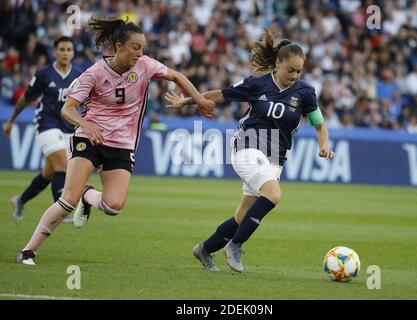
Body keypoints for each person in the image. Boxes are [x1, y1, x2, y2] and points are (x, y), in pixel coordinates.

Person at [15, 15, 215, 265]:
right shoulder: (95, 72)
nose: (140, 53)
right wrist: (86, 124)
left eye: (142, 48)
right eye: (135, 47)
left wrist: (199, 99)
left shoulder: (145, 65)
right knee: (67, 201)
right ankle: (28, 251)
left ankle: (87, 196)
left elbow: (176, 76)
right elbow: (67, 109)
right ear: (119, 46)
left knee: (114, 206)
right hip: (89, 138)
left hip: (121, 143)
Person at [165, 28, 335, 273]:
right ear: (278, 63)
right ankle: (235, 246)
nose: (295, 75)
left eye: (299, 71)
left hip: (275, 157)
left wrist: (324, 146)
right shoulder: (257, 84)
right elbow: (221, 95)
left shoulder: (306, 93)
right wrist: (190, 100)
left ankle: (204, 249)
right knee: (273, 194)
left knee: (242, 216)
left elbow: (320, 125)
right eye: (291, 70)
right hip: (247, 145)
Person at [3, 36, 83, 223]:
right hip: (46, 124)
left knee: (49, 173)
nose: (65, 53)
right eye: (61, 49)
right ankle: (62, 210)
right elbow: (26, 97)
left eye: (68, 50)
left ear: (73, 53)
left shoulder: (79, 75)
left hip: (68, 127)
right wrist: (11, 120)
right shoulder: (44, 74)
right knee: (63, 165)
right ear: (55, 52)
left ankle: (20, 200)